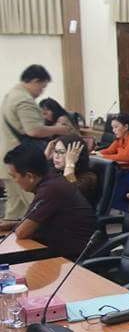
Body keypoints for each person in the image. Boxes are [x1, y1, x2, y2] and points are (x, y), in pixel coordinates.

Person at [1, 144, 96, 260]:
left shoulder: (51, 189)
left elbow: (22, 232)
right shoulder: (49, 179)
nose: (14, 181)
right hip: (52, 244)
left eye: (14, 176)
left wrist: (17, 225)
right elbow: (30, 222)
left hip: (68, 256)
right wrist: (10, 225)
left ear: (30, 176)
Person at [1, 65, 72, 219]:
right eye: (42, 86)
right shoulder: (23, 99)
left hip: (9, 159)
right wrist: (59, 129)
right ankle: (41, 241)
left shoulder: (10, 95)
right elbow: (33, 130)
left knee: (15, 207)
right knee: (38, 206)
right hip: (22, 162)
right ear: (35, 81)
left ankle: (7, 241)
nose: (42, 91)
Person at [45, 135, 98, 204]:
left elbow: (69, 193)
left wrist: (69, 164)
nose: (56, 156)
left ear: (76, 155)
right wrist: (45, 157)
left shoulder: (89, 178)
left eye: (61, 152)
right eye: (55, 151)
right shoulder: (55, 170)